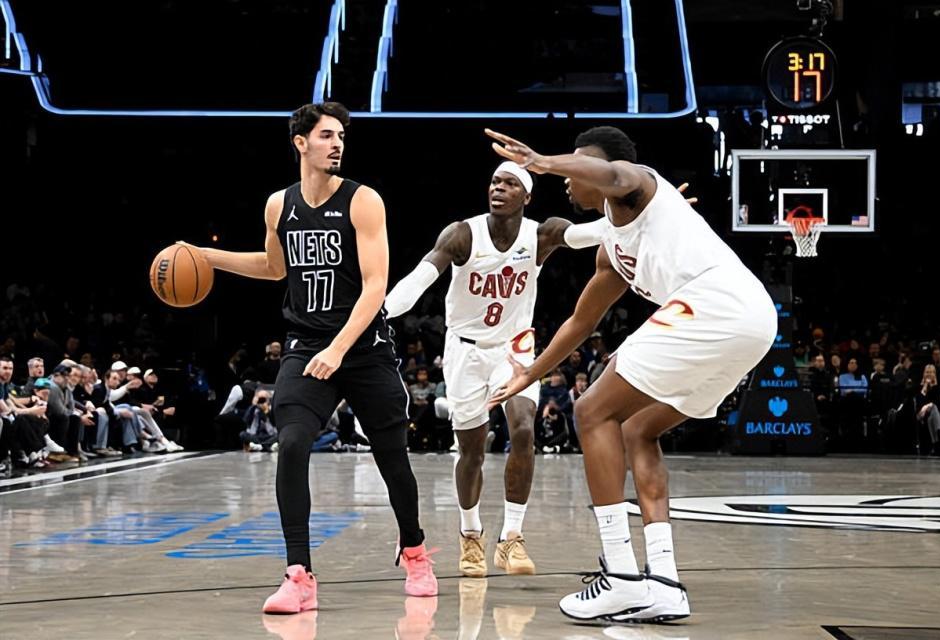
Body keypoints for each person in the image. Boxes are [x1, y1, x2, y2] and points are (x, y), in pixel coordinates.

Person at [487, 126, 776, 623]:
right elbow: (581, 322)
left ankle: (620, 575)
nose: (569, 178)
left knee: (591, 411)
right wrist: (529, 373)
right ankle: (663, 582)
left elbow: (616, 174)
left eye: (578, 166)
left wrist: (544, 161)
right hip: (750, 324)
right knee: (637, 429)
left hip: (716, 304)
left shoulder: (636, 183)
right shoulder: (612, 243)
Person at [183, 101, 437, 613]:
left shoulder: (363, 201)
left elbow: (376, 286)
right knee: (293, 443)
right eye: (326, 135)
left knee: (392, 458)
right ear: (300, 143)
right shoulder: (279, 205)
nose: (337, 143)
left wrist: (338, 349)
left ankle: (414, 550)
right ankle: (298, 574)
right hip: (305, 345)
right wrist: (208, 258)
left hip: (363, 348)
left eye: (341, 136)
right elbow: (275, 267)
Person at [384, 160, 611, 578]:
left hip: (514, 347)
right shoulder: (462, 234)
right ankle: (470, 534)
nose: (498, 188)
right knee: (471, 451)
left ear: (527, 196)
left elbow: (590, 234)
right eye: (494, 182)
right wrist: (381, 312)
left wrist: (648, 212)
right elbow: (420, 278)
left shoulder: (541, 234)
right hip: (465, 351)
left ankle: (512, 538)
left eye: (509, 183)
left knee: (523, 430)